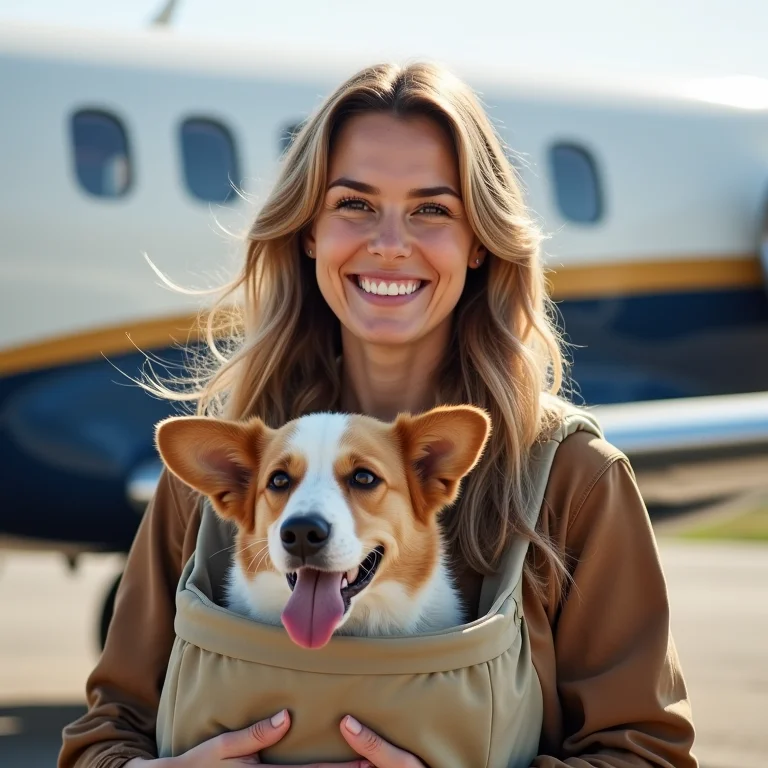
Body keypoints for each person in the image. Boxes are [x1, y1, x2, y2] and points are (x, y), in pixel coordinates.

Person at [59, 61, 697, 768]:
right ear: (308, 231)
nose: (390, 243)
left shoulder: (573, 479)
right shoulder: (223, 477)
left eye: (432, 210)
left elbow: (646, 754)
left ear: (479, 243)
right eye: (354, 205)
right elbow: (104, 735)